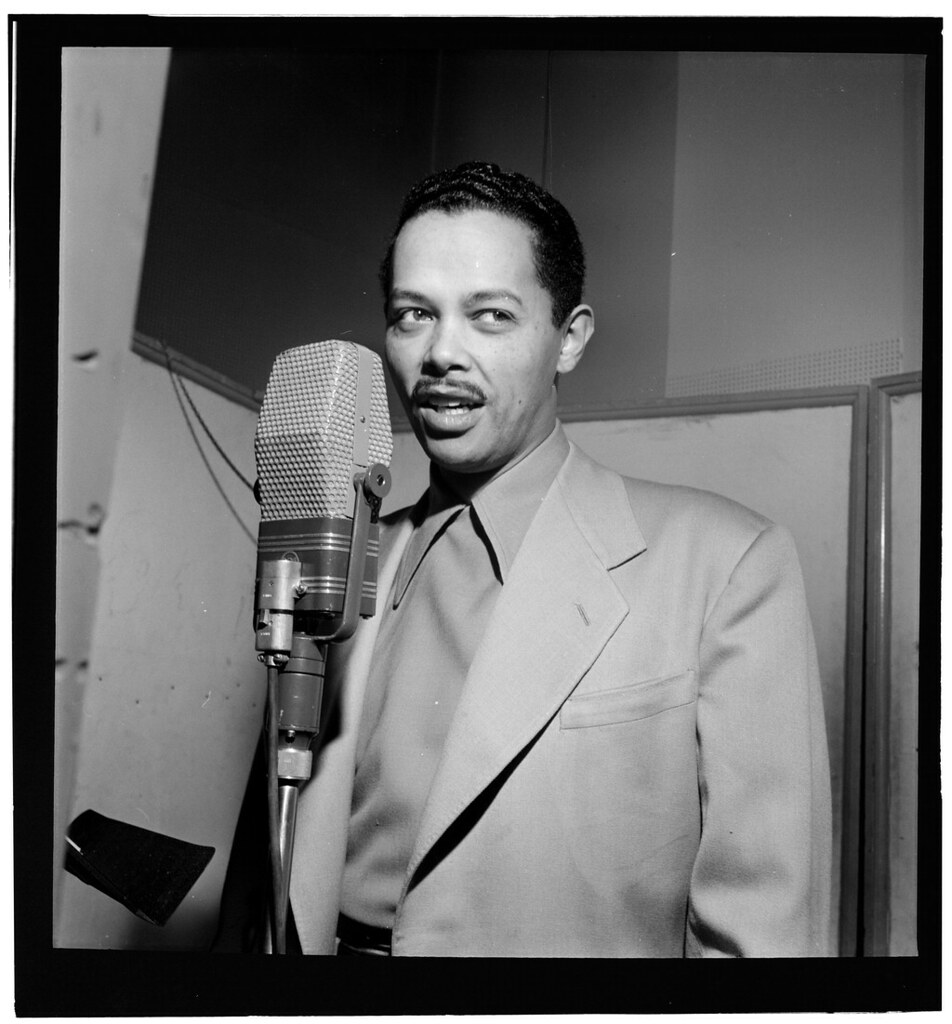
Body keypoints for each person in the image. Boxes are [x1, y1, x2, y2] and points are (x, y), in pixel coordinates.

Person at [216, 161, 832, 958]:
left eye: (491, 316)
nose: (441, 353)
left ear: (568, 339)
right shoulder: (339, 560)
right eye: (412, 315)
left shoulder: (725, 563)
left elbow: (767, 939)